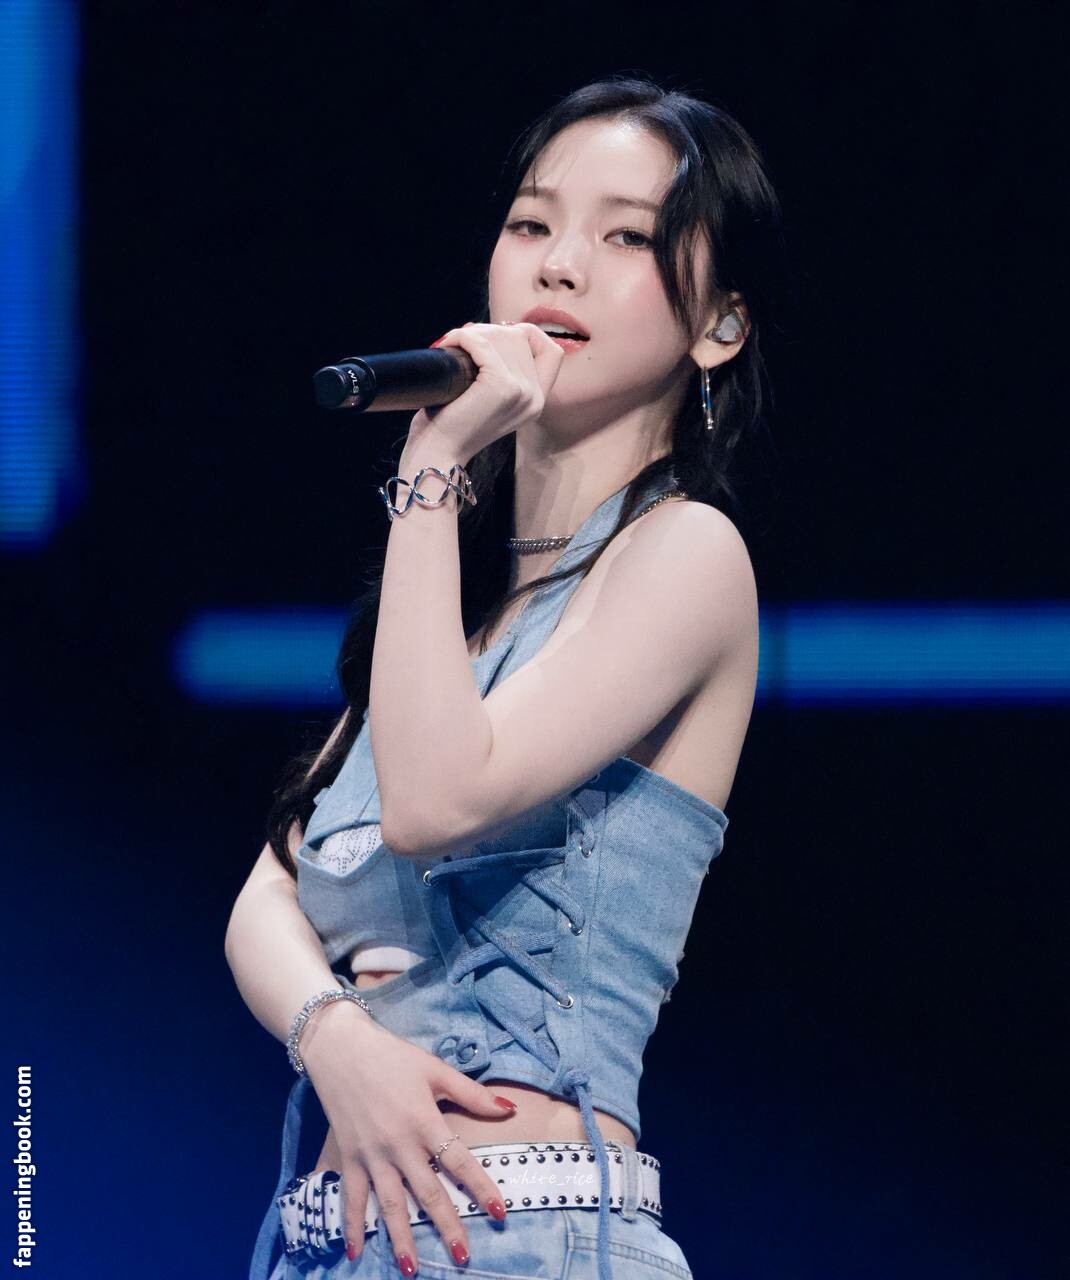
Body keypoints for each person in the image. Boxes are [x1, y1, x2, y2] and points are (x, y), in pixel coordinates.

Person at [226, 74, 784, 1280]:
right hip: (328, 1247)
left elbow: (436, 800)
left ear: (720, 327)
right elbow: (266, 895)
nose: (558, 264)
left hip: (530, 1238)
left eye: (625, 236)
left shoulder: (687, 555)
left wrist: (432, 467)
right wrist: (337, 1040)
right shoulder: (461, 616)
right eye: (532, 222)